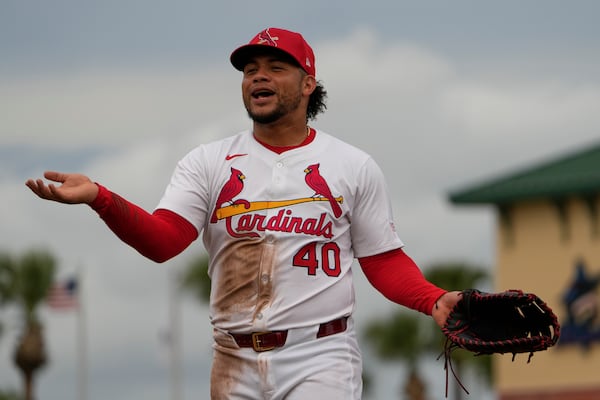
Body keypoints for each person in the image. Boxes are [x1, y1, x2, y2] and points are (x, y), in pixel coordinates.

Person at [26, 27, 461, 399]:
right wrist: (101, 197)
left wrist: (432, 298)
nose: (259, 76)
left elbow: (382, 259)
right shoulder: (209, 162)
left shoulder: (352, 165)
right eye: (250, 69)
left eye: (275, 67)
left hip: (320, 355)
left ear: (308, 83)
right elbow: (163, 242)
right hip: (232, 357)